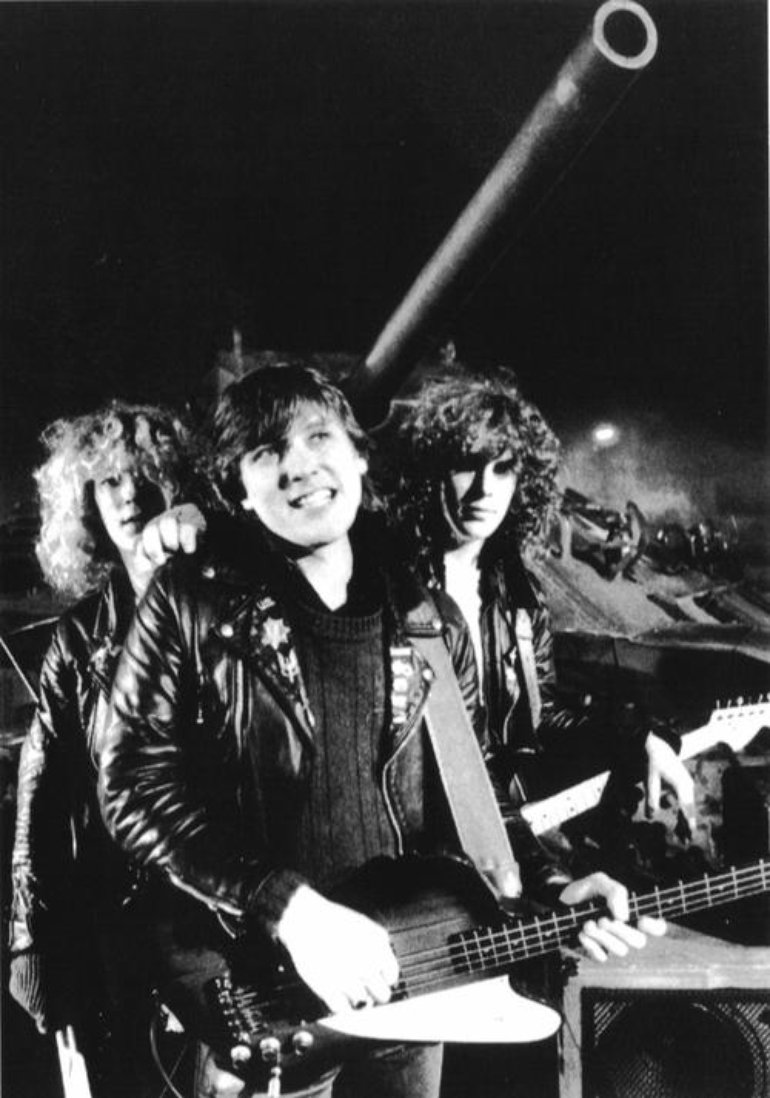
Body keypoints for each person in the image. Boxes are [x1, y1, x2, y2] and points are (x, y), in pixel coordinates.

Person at [97, 362, 664, 1098]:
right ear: (237, 488)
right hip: (261, 995)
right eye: (267, 452)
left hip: (410, 986)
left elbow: (475, 797)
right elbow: (132, 788)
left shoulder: (427, 616)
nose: (300, 466)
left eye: (318, 437)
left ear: (359, 455)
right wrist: (289, 909)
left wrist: (554, 888)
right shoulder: (188, 600)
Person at [385, 364, 696, 846]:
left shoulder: (519, 593)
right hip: (423, 836)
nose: (484, 489)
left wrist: (641, 738)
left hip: (505, 823)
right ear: (433, 472)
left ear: (522, 481)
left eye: (503, 468)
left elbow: (541, 716)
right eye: (467, 464)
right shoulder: (395, 589)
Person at [8, 401, 199, 1097]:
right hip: (119, 926)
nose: (129, 494)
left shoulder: (225, 600)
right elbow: (41, 799)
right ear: (85, 502)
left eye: (146, 474)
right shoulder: (77, 638)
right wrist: (29, 943)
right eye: (108, 480)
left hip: (220, 915)